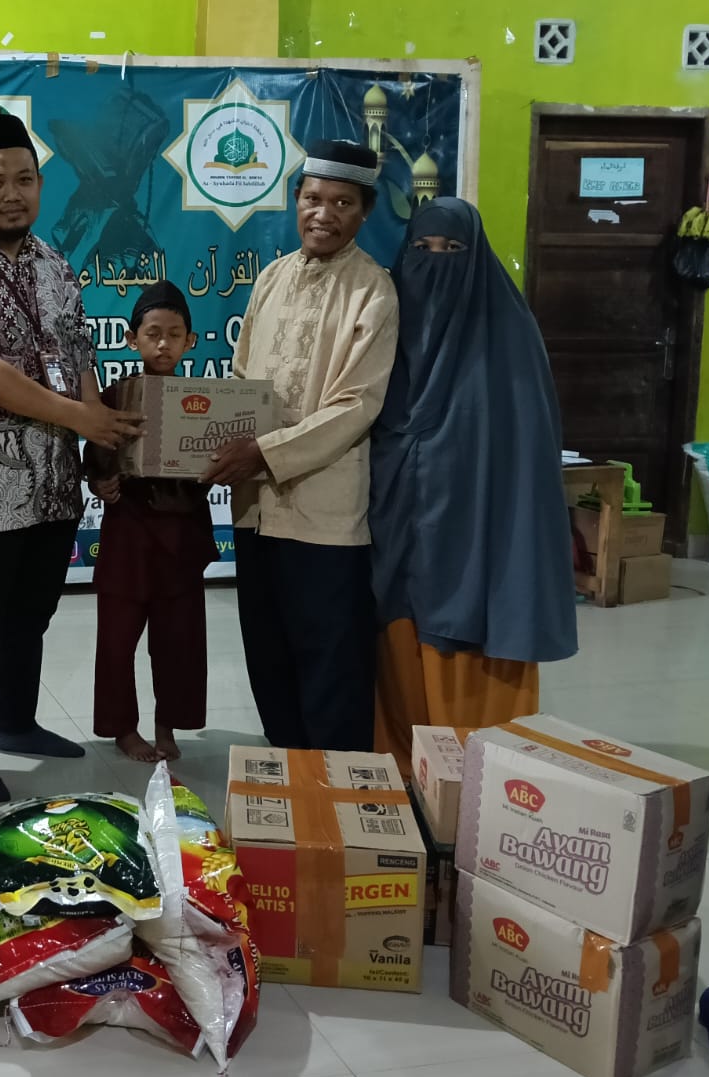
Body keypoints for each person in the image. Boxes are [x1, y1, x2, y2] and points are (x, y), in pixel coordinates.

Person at [0, 112, 142, 775]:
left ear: (40, 185)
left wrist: (97, 445)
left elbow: (78, 354)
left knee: (32, 611)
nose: (12, 194)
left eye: (25, 180)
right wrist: (81, 419)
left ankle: (15, 722)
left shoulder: (55, 264)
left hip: (54, 480)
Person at [203, 140, 399, 753]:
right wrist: (211, 441)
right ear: (296, 201)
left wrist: (263, 453)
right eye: (313, 198)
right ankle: (287, 779)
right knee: (268, 654)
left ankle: (336, 792)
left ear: (364, 211)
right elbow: (242, 380)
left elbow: (356, 406)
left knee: (331, 661)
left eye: (342, 203)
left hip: (324, 513)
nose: (324, 214)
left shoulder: (374, 292)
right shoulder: (271, 278)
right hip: (256, 508)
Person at [370, 198, 577, 775]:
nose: (435, 263)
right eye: (422, 249)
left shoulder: (508, 335)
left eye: (453, 250)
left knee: (474, 720)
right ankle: (404, 771)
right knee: (397, 653)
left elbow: (526, 462)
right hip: (397, 539)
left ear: (477, 256)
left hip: (477, 546)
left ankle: (482, 782)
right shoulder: (384, 329)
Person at [85, 281, 214, 763]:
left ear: (190, 341)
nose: (163, 344)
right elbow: (93, 454)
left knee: (179, 639)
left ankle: (167, 723)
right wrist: (101, 480)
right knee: (116, 641)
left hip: (183, 537)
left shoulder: (204, 400)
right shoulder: (115, 396)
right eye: (153, 333)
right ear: (131, 338)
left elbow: (215, 460)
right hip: (129, 535)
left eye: (174, 335)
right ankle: (122, 727)